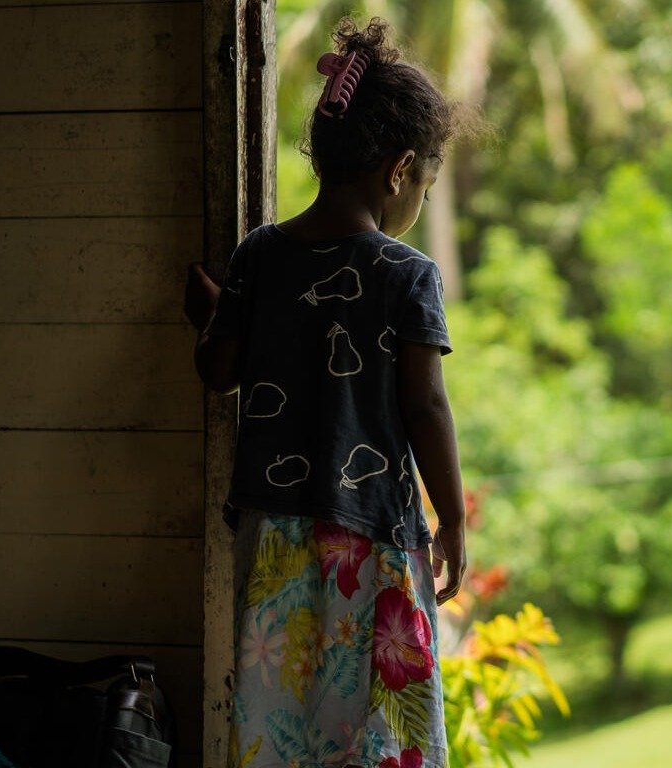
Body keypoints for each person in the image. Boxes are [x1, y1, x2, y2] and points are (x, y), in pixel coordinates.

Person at [183, 17, 469, 768]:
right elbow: (425, 407)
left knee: (283, 726)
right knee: (380, 728)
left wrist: (212, 314)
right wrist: (453, 521)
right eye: (427, 183)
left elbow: (219, 372)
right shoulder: (407, 275)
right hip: (370, 541)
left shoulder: (260, 257)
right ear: (401, 170)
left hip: (274, 536)